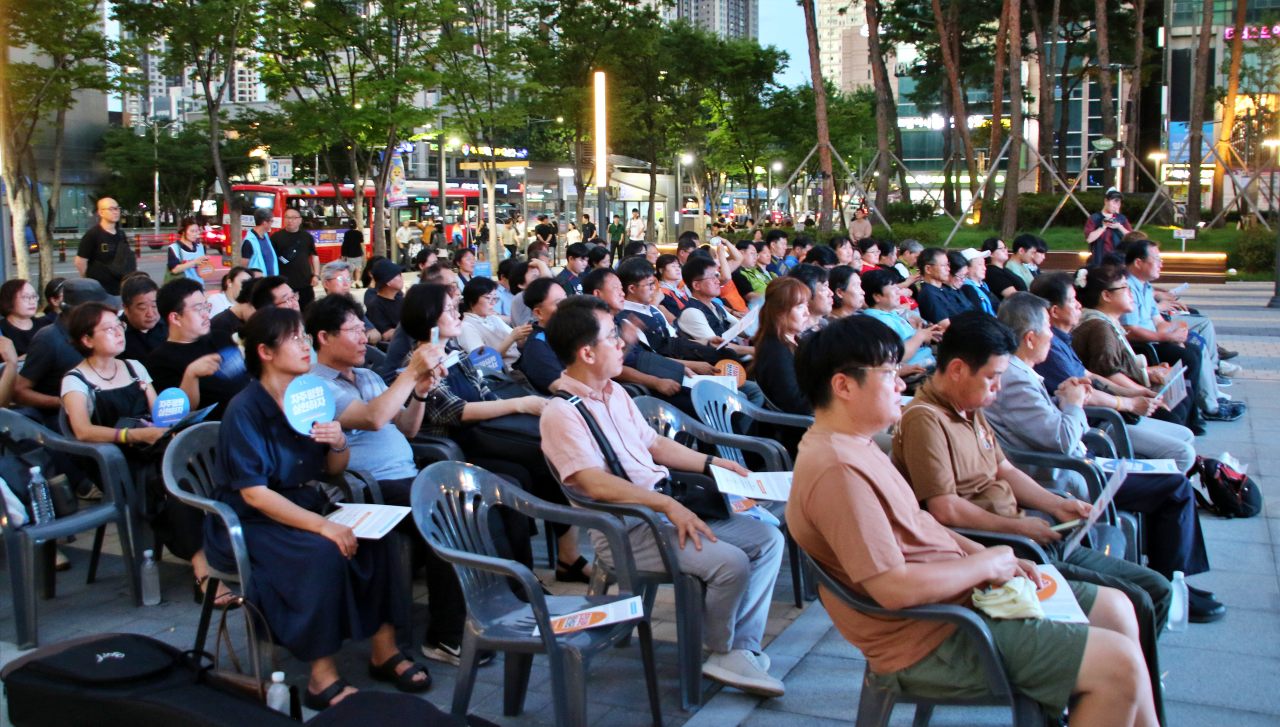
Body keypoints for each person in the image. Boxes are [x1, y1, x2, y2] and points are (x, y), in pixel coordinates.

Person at [786, 315, 1158, 724]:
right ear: (843, 386)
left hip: (962, 601)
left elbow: (921, 522)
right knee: (1118, 664)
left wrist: (989, 555)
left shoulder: (857, 446)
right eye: (889, 374)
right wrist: (986, 564)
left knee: (1118, 608)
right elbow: (892, 588)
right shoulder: (838, 470)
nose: (900, 385)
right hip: (933, 637)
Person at [893, 311, 1179, 721]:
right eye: (992, 377)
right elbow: (944, 508)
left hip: (1026, 532)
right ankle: (1112, 689)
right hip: (1002, 547)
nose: (997, 388)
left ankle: (1125, 695)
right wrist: (1019, 526)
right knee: (1139, 600)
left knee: (1154, 590)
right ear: (956, 370)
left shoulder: (968, 405)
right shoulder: (926, 419)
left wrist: (1054, 504)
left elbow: (1004, 469)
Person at [540, 295, 787, 697]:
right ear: (586, 352)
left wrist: (711, 463)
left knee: (768, 539)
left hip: (665, 507)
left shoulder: (615, 393)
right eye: (612, 337)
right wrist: (667, 505)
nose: (622, 343)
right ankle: (721, 648)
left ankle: (738, 648)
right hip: (628, 527)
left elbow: (654, 443)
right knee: (731, 563)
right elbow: (592, 482)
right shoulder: (562, 412)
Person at [208, 306, 428, 710]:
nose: (305, 346)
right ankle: (321, 677)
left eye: (304, 337)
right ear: (265, 352)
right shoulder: (246, 409)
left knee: (378, 539)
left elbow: (332, 470)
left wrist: (339, 443)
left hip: (304, 502)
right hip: (254, 519)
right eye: (294, 339)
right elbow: (254, 494)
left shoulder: (307, 398)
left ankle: (384, 650)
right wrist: (322, 526)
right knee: (322, 553)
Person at [990, 294, 1215, 595]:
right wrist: (1073, 404)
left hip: (1082, 463)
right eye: (1047, 328)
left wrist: (1068, 400)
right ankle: (1174, 584)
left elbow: (1056, 428)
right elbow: (1062, 440)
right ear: (1030, 338)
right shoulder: (1015, 378)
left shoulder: (1021, 371)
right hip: (1069, 476)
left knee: (1169, 478)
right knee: (1175, 488)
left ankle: (1168, 577)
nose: (1051, 335)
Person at [384, 283, 587, 576]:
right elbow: (455, 410)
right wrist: (520, 405)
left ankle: (563, 560)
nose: (458, 314)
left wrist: (514, 407)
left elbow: (484, 392)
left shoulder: (453, 352)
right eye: (450, 310)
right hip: (453, 449)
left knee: (542, 462)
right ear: (429, 318)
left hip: (484, 436)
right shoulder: (415, 365)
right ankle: (518, 579)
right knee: (515, 478)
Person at [61, 301, 236, 608]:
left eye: (119, 326)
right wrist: (132, 435)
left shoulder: (134, 367)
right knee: (175, 479)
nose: (119, 333)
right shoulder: (76, 380)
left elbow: (160, 417)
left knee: (202, 462)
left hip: (152, 446)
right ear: (87, 339)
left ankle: (230, 547)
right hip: (116, 459)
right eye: (109, 329)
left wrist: (172, 425)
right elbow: (82, 430)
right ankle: (203, 570)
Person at [1030, 272, 1198, 470]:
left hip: (1108, 414)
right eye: (1072, 300)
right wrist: (1129, 402)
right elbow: (1085, 391)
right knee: (1183, 453)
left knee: (1185, 435)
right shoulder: (1053, 347)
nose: (1078, 305)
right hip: (1097, 423)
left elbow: (1089, 374)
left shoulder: (1062, 339)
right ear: (1055, 311)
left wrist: (1135, 392)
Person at [1120, 239, 1242, 423]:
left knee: (1194, 345)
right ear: (1138, 262)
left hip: (1154, 339)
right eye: (1157, 259)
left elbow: (1158, 321)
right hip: (1142, 346)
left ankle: (1201, 408)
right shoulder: (1127, 287)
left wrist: (1174, 335)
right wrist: (1165, 337)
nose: (1161, 263)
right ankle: (1199, 412)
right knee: (1190, 356)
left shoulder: (1145, 286)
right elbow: (1130, 330)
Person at [1071, 265, 1204, 433]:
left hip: (1123, 392)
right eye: (1125, 288)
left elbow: (1114, 366)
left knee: (1183, 391)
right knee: (1173, 412)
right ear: (1106, 296)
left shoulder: (1105, 322)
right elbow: (1109, 374)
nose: (1131, 293)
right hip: (1115, 402)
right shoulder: (1099, 327)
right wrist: (1143, 392)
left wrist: (1150, 371)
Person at [15, 279, 119, 426]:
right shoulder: (48, 339)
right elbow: (19, 391)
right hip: (63, 423)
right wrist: (65, 402)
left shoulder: (104, 332)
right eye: (100, 311)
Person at [146, 278, 247, 419]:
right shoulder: (160, 361)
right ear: (175, 318)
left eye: (206, 306)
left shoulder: (221, 337)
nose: (206, 314)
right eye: (198, 309)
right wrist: (191, 375)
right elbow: (178, 415)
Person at [750, 277, 813, 416]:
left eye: (807, 306)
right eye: (800, 307)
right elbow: (795, 404)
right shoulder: (776, 351)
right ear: (780, 312)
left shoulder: (793, 341)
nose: (807, 313)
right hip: (799, 425)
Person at [860, 268, 940, 374]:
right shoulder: (877, 321)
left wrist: (926, 332)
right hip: (917, 372)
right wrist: (920, 337)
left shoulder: (890, 313)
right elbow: (895, 357)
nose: (899, 292)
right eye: (893, 289)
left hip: (928, 361)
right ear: (877, 297)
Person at [676, 256, 752, 355]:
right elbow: (717, 347)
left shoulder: (715, 305)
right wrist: (755, 350)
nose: (718, 281)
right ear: (696, 285)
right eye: (712, 278)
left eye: (716, 276)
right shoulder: (691, 312)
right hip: (716, 362)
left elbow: (741, 329)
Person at [458, 277, 532, 368]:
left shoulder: (493, 318)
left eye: (495, 298)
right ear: (472, 299)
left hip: (521, 362)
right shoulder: (467, 327)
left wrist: (523, 334)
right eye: (488, 298)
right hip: (508, 370)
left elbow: (518, 344)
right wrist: (512, 337)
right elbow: (485, 361)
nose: (493, 303)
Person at [513, 278, 568, 394]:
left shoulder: (569, 332)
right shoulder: (537, 347)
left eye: (566, 299)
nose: (569, 306)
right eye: (559, 303)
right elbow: (563, 389)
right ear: (538, 313)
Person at [74, 197, 135, 295]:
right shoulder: (93, 235)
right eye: (111, 209)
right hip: (99, 291)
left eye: (117, 208)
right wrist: (88, 281)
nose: (116, 212)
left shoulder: (121, 234)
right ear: (101, 212)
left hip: (119, 289)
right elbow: (80, 261)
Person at [273, 208, 319, 310]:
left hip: (305, 283)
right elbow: (272, 260)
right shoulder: (276, 237)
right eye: (287, 217)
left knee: (308, 312)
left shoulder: (307, 237)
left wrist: (316, 275)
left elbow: (314, 256)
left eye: (293, 218)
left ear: (300, 220)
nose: (290, 220)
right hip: (285, 284)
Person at [915, 247, 972, 325]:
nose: (948, 269)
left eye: (948, 265)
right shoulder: (929, 295)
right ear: (928, 269)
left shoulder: (941, 290)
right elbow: (945, 325)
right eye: (944, 265)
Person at [120, 274, 168, 361]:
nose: (150, 314)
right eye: (143, 308)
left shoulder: (170, 324)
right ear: (126, 308)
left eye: (154, 306)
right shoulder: (118, 334)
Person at [0, 279, 50, 357]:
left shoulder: (47, 325)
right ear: (9, 300)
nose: (32, 302)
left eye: (34, 296)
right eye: (26, 297)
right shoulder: (1, 331)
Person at [1085, 189, 1133, 266]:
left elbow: (1132, 238)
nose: (1116, 205)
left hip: (1119, 261)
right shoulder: (1095, 218)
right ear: (1106, 201)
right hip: (1099, 260)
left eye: (1119, 202)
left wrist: (1119, 227)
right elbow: (1089, 239)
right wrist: (1103, 227)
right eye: (1114, 201)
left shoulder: (1121, 219)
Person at [365, 259, 405, 341]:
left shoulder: (400, 299)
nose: (402, 278)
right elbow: (386, 335)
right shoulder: (375, 305)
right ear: (388, 281)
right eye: (399, 275)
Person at [788, 264, 834, 331]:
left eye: (828, 286)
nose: (831, 293)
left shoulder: (826, 326)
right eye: (824, 287)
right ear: (805, 293)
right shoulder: (792, 333)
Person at [167, 217, 210, 284]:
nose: (195, 234)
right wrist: (194, 262)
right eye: (192, 231)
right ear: (183, 232)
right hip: (183, 287)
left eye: (197, 231)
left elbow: (203, 269)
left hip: (199, 286)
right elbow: (174, 270)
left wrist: (207, 266)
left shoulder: (201, 247)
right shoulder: (174, 248)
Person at [958, 248, 998, 315]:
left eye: (984, 264)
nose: (984, 268)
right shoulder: (967, 289)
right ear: (967, 268)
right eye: (980, 264)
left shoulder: (983, 286)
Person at [240, 208, 279, 277]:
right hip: (258, 282)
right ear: (264, 223)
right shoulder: (249, 242)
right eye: (271, 221)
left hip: (270, 281)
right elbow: (244, 266)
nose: (272, 224)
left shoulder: (266, 237)